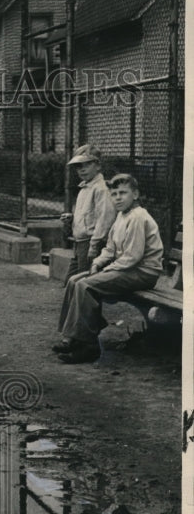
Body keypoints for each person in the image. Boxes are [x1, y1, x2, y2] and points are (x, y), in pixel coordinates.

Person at [54, 173, 164, 364]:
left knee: (86, 286)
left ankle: (89, 346)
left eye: (123, 193)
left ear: (135, 194)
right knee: (74, 281)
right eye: (114, 194)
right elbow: (110, 248)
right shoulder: (122, 216)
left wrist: (106, 271)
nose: (118, 198)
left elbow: (132, 257)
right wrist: (97, 263)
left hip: (144, 272)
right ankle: (73, 337)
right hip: (127, 269)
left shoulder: (138, 217)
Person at [60, 144, 116, 280]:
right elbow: (89, 214)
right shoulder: (85, 187)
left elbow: (105, 220)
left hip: (91, 243)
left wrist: (94, 246)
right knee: (71, 283)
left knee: (83, 284)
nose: (82, 169)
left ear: (98, 166)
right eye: (78, 166)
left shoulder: (101, 189)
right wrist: (72, 218)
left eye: (87, 164)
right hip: (79, 243)